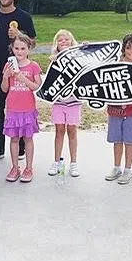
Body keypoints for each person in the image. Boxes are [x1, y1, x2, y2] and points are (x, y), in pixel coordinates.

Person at [0, 0, 37, 162]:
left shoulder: (23, 17)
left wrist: (20, 35)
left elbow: (33, 42)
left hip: (19, 69)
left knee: (19, 108)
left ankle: (21, 149)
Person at [1, 33, 42, 183]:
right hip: (12, 109)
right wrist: (6, 77)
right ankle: (15, 167)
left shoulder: (33, 66)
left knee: (28, 139)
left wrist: (22, 78)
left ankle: (29, 168)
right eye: (16, 48)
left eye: (23, 48)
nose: (19, 51)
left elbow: (37, 86)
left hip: (28, 109)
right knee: (13, 139)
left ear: (29, 49)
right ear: (12, 49)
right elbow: (4, 89)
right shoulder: (8, 65)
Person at [103, 34, 132, 185]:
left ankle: (128, 170)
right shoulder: (115, 64)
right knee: (116, 140)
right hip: (114, 110)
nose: (131, 51)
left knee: (129, 140)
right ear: (123, 48)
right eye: (128, 48)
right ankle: (116, 167)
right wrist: (87, 46)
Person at [47, 29, 82, 177]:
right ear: (56, 44)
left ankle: (74, 163)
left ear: (72, 41)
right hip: (59, 102)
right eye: (60, 40)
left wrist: (85, 49)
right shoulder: (53, 60)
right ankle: (57, 161)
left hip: (74, 102)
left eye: (67, 39)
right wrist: (53, 62)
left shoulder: (80, 58)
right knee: (59, 131)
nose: (64, 42)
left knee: (72, 132)